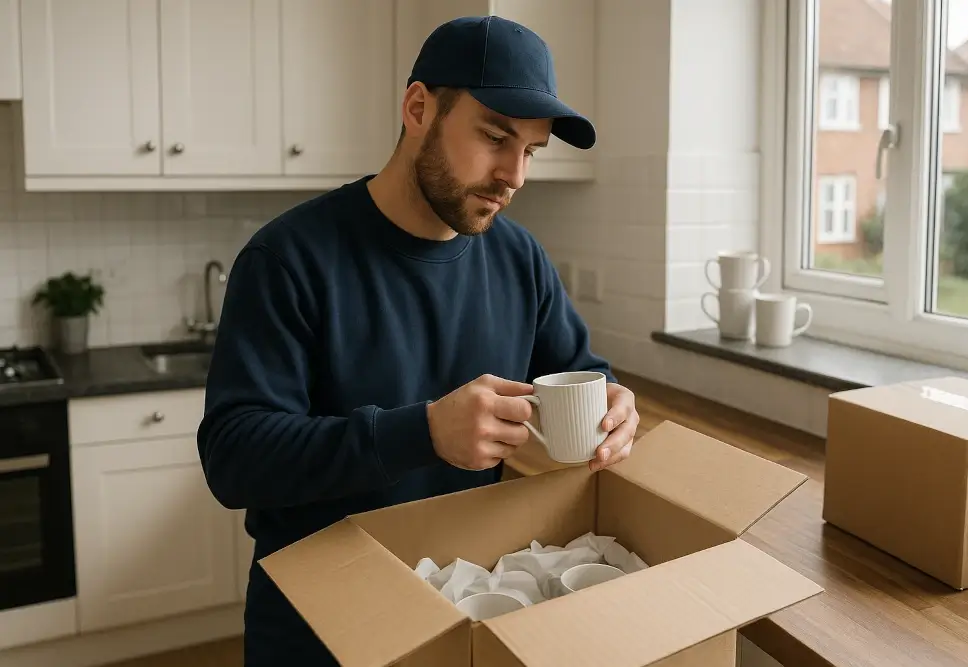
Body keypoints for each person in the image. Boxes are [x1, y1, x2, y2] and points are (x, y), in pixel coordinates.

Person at [197, 14, 640, 667]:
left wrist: (613, 404)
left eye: (531, 151)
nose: (514, 174)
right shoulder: (288, 258)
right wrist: (423, 431)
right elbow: (233, 456)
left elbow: (579, 372)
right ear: (418, 108)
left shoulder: (521, 260)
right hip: (317, 632)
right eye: (495, 137)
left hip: (463, 612)